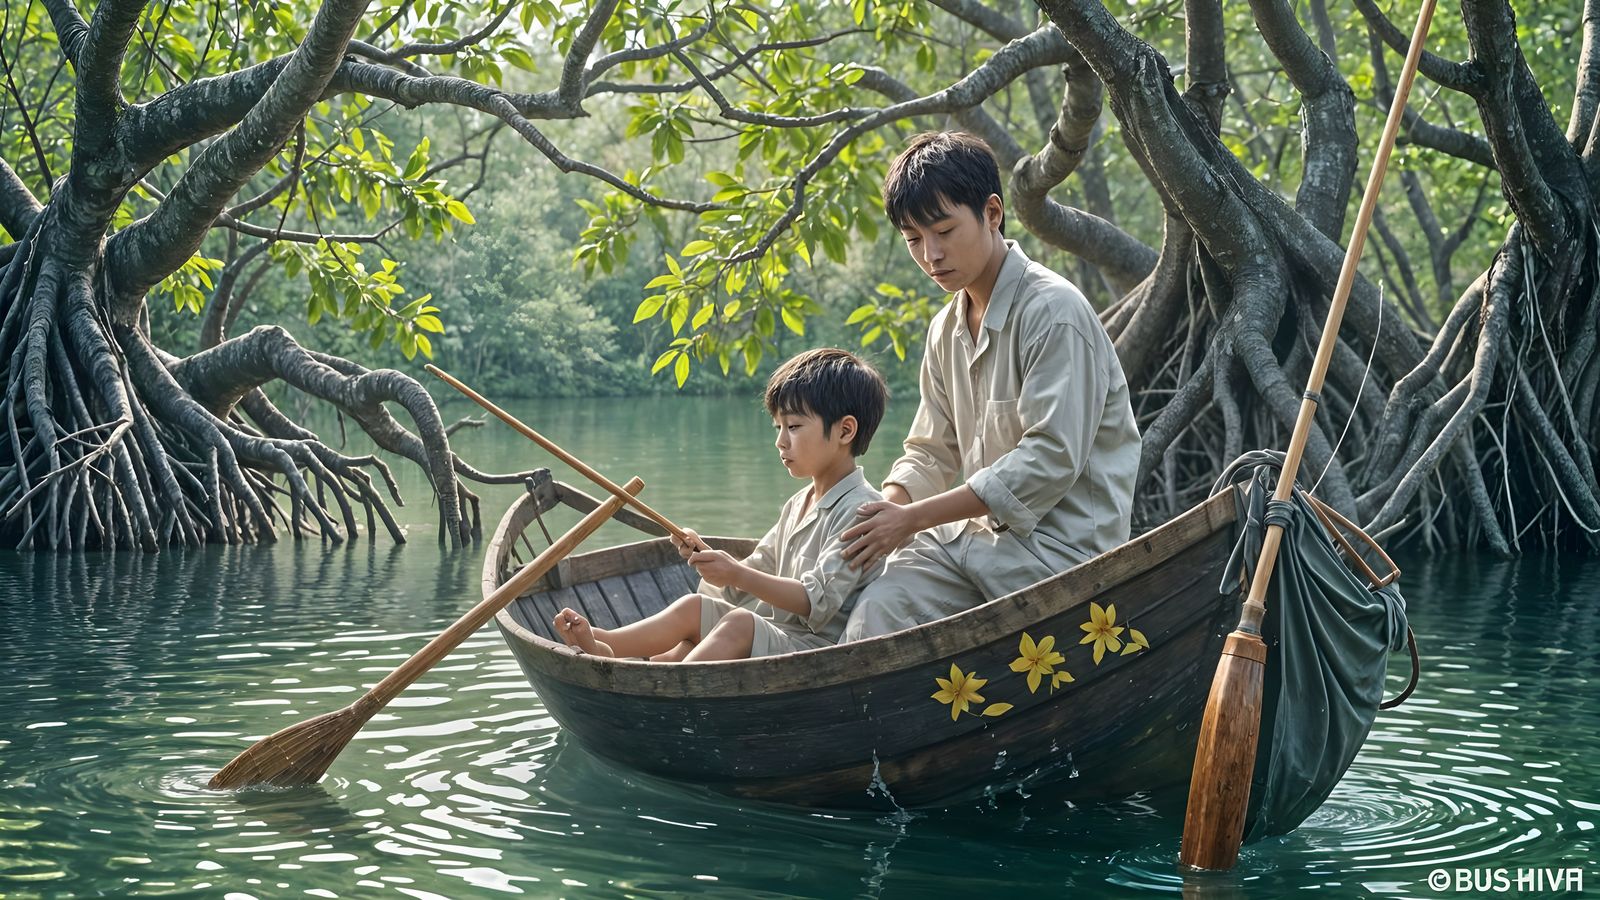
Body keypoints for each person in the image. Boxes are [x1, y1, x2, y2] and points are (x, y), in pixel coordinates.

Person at [839, 131, 1141, 641]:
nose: (931, 255)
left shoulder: (1054, 312)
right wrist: (883, 512)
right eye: (913, 239)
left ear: (992, 213)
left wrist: (911, 519)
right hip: (974, 543)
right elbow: (930, 451)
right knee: (875, 605)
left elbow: (1049, 458)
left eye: (944, 230)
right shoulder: (945, 330)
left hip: (1061, 556)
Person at [554, 348, 890, 661]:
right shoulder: (798, 503)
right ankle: (609, 646)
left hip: (814, 651)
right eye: (778, 427)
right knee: (694, 607)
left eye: (794, 427)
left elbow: (816, 600)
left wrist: (736, 573)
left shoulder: (863, 512)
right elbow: (758, 569)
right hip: (779, 633)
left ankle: (667, 683)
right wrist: (710, 558)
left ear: (845, 431)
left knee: (739, 624)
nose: (780, 441)